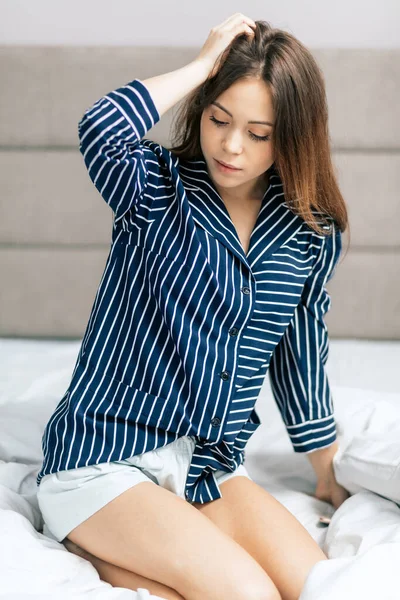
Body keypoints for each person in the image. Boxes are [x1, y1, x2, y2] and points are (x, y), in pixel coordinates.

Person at [36, 12, 351, 600]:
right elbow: (99, 126)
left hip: (208, 466)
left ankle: (108, 551)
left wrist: (328, 474)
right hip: (104, 455)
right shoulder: (152, 187)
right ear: (201, 108)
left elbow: (299, 352)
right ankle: (90, 541)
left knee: (319, 587)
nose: (232, 146)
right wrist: (203, 65)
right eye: (218, 119)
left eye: (259, 133)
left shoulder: (310, 231)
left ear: (294, 137)